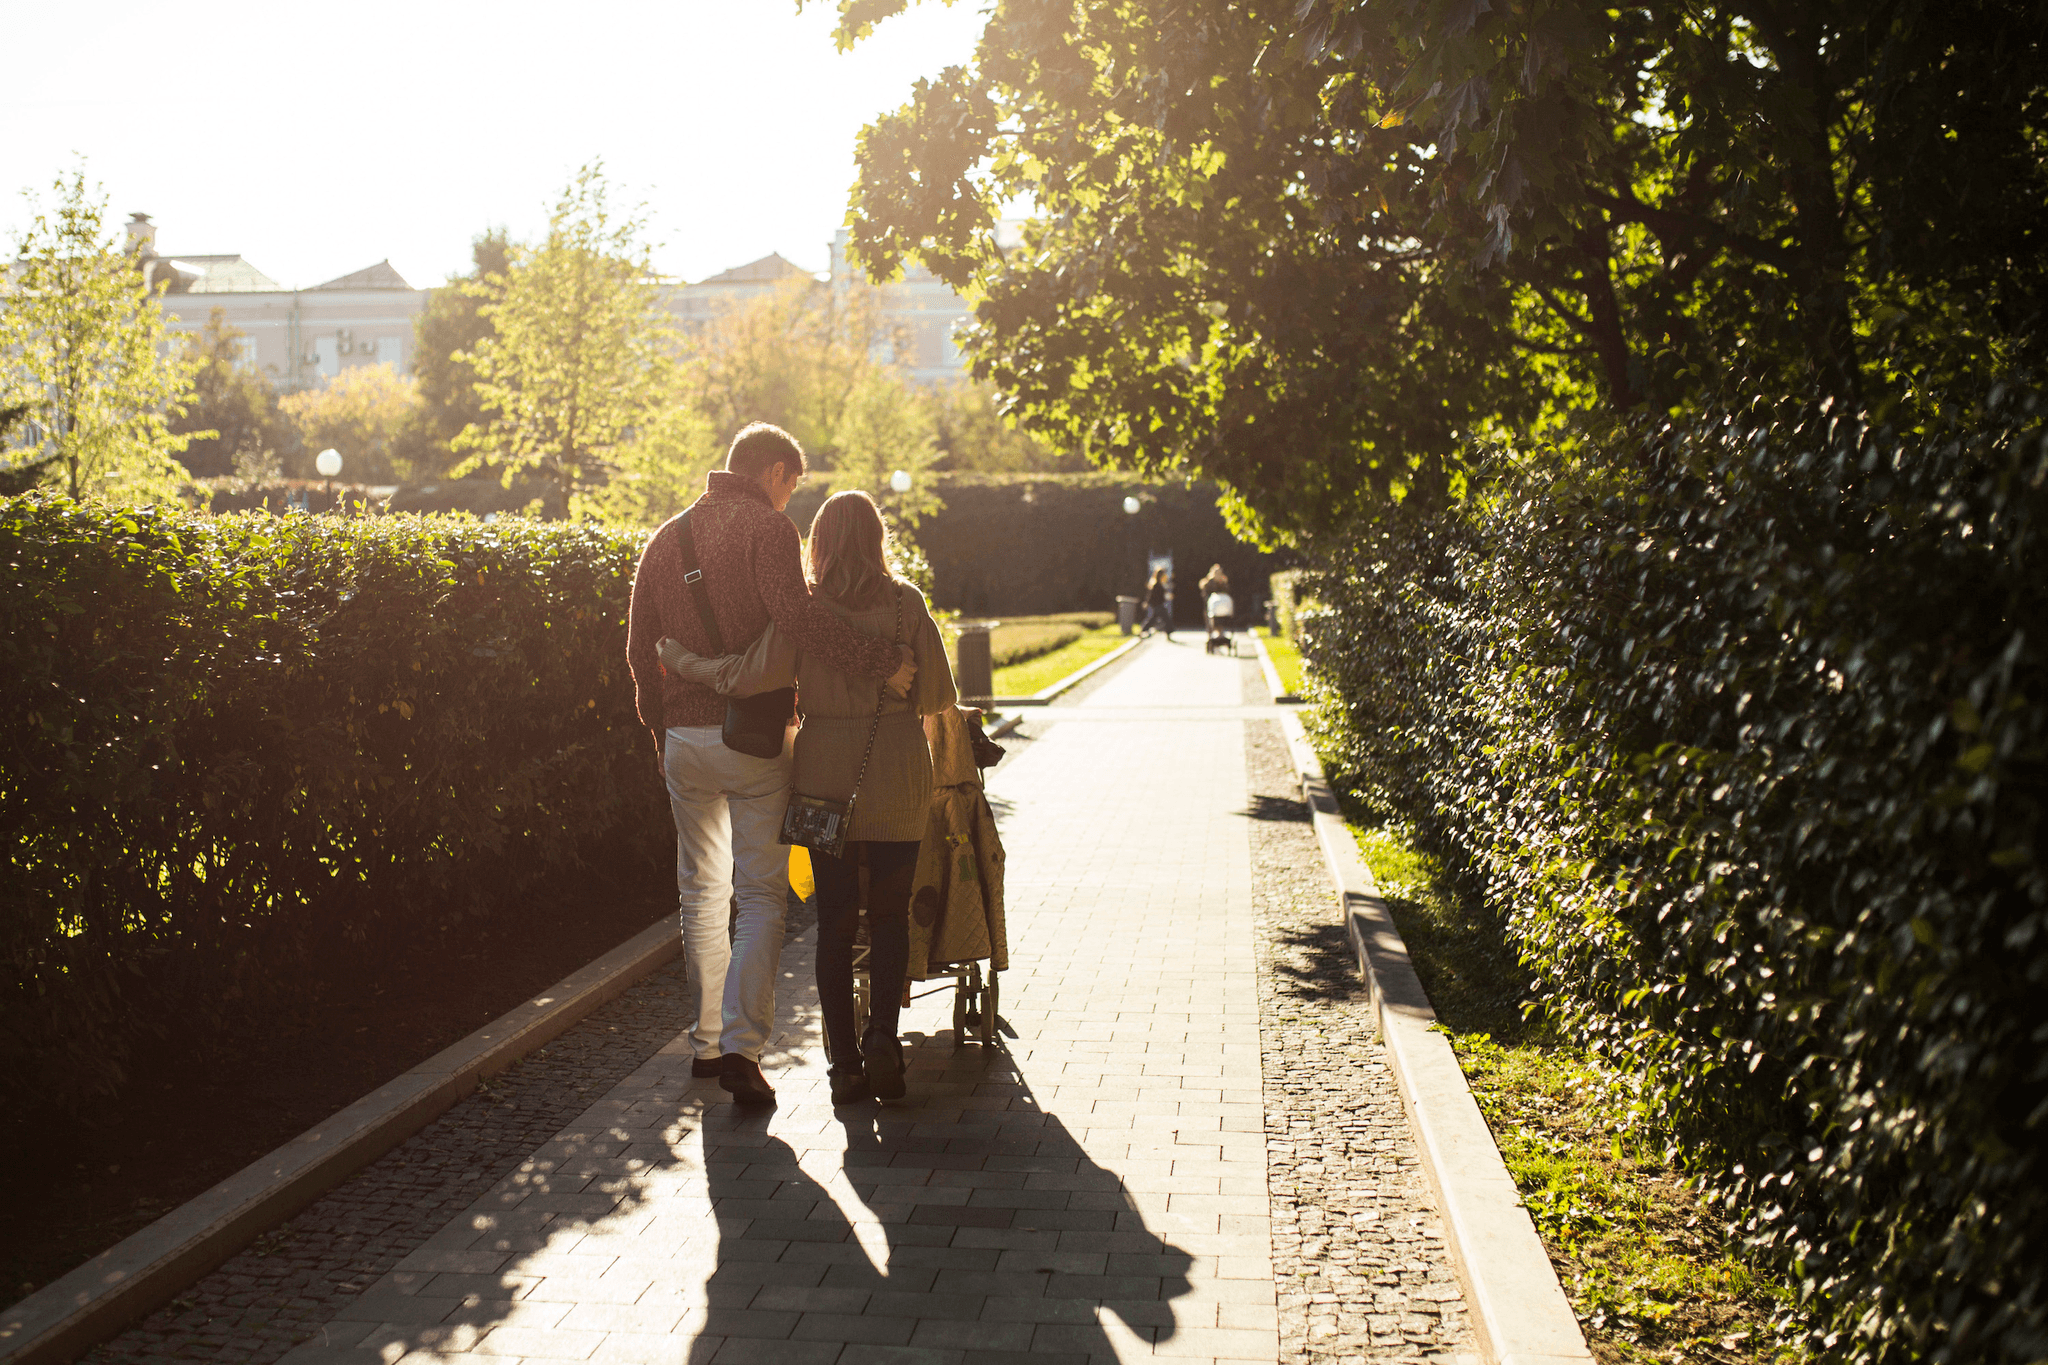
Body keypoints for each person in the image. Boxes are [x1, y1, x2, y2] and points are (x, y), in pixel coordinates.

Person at [626, 424, 915, 1106]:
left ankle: (701, 1043)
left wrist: (659, 731)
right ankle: (740, 1048)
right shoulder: (767, 530)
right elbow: (799, 619)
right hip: (752, 739)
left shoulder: (665, 537)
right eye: (790, 484)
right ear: (775, 471)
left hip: (684, 742)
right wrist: (879, 662)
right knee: (759, 895)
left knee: (699, 890)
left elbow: (640, 650)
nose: (790, 501)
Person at [1141, 567, 1172, 639]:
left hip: (1158, 604)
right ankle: (1169, 631)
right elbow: (1151, 595)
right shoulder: (1156, 584)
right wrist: (1146, 603)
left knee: (1153, 618)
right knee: (1165, 618)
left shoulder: (1160, 584)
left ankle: (1143, 630)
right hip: (1157, 604)